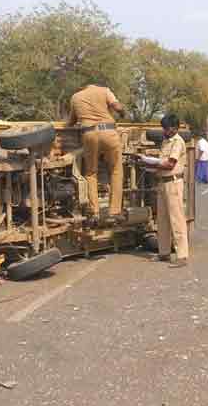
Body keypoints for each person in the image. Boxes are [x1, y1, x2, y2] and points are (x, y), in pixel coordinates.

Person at [137, 114, 189, 268]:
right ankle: (164, 252)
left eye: (166, 128)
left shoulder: (177, 142)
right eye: (164, 128)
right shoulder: (166, 141)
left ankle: (182, 256)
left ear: (174, 128)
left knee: (177, 220)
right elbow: (161, 164)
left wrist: (149, 162)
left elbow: (169, 165)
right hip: (163, 183)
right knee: (163, 220)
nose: (164, 131)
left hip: (173, 183)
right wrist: (148, 166)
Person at [67, 84, 125, 221]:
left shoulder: (75, 97)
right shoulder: (105, 90)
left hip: (89, 135)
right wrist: (123, 113)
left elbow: (71, 121)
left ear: (81, 88)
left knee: (91, 173)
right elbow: (117, 107)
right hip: (109, 132)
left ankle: (94, 212)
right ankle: (114, 212)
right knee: (116, 170)